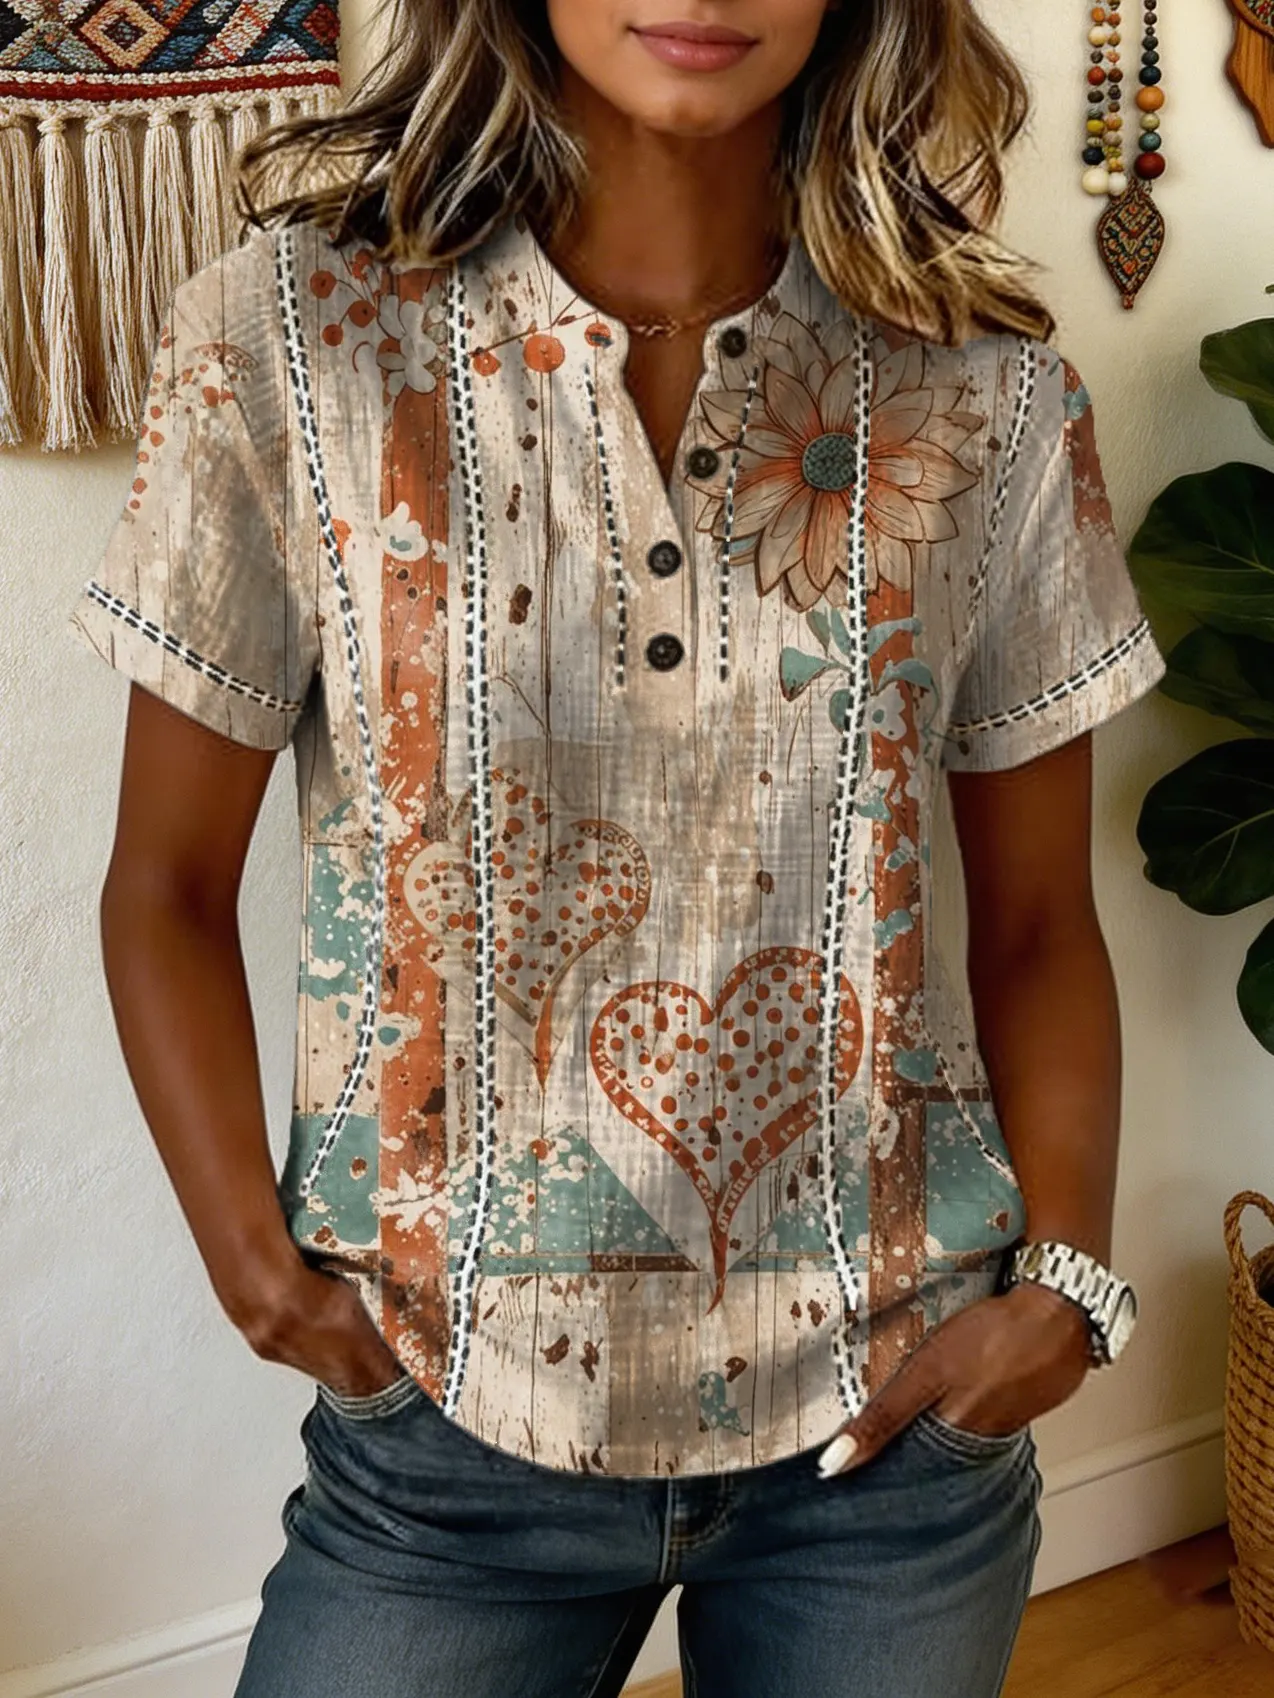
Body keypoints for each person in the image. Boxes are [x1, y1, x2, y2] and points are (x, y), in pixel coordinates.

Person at [68, 3, 1165, 1694]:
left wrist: (1065, 1293)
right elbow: (161, 887)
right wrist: (260, 1276)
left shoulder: (984, 388)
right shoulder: (291, 341)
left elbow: (1033, 923)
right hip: (445, 1433)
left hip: (894, 1430)